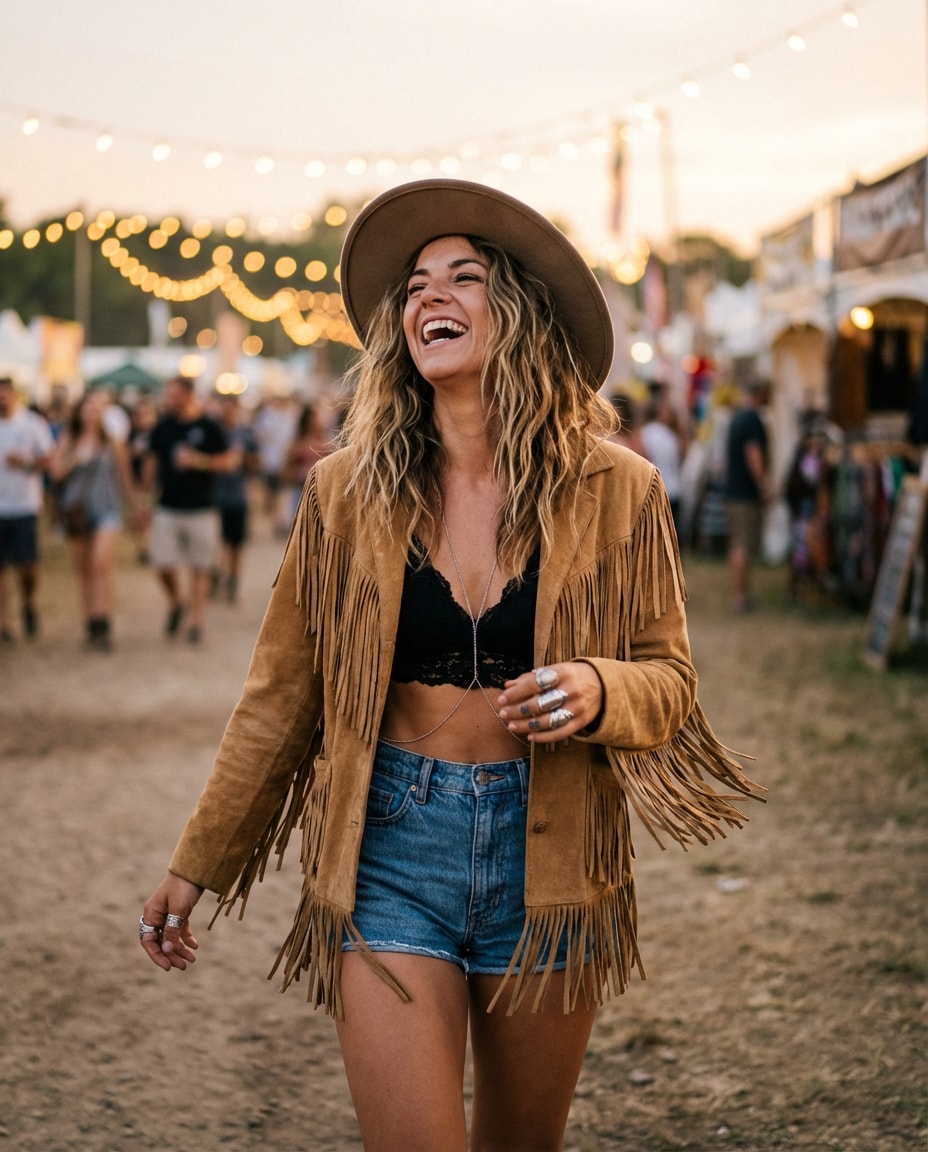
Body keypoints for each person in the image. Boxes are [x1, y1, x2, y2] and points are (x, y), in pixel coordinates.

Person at [140, 180, 761, 1152]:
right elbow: (279, 697)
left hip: (550, 856)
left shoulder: (619, 488)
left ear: (514, 308)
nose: (433, 295)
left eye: (463, 276)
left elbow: (670, 681)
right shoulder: (343, 492)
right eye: (416, 284)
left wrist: (600, 688)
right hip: (391, 846)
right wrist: (197, 863)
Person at [142, 375, 229, 644]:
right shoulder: (163, 426)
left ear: (188, 395)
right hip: (168, 506)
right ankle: (177, 601)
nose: (169, 399)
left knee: (200, 566)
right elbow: (151, 460)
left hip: (201, 507)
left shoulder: (209, 426)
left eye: (173, 394)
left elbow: (227, 461)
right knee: (162, 564)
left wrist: (198, 461)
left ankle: (196, 620)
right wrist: (144, 497)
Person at [48, 391, 138, 650]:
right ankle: (91, 622)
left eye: (98, 409)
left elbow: (124, 475)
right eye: (88, 408)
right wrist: (77, 458)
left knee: (101, 565)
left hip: (107, 508)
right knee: (84, 569)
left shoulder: (113, 441)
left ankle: (103, 622)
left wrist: (135, 508)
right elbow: (55, 473)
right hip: (76, 510)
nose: (92, 413)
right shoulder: (70, 438)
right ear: (80, 411)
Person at [0, 376, 53, 642]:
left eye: (5, 393)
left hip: (25, 505)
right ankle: (4, 621)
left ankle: (29, 603)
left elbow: (49, 460)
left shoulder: (32, 424)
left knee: (27, 566)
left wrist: (27, 462)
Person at [723, 376, 770, 611]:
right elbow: (754, 453)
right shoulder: (752, 419)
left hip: (732, 490)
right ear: (761, 393)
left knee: (737, 544)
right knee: (743, 544)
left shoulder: (737, 418)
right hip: (745, 492)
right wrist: (763, 485)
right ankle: (740, 597)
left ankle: (740, 593)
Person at [210, 393, 259, 604]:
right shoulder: (213, 432)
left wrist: (243, 458)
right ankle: (217, 573)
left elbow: (257, 463)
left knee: (236, 543)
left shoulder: (246, 434)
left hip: (238, 496)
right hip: (215, 495)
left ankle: (233, 579)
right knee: (217, 541)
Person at [640, 390, 685, 543]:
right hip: (673, 488)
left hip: (655, 488)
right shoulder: (672, 435)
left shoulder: (645, 433)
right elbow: (680, 457)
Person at [282, 400, 331, 521]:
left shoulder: (326, 441)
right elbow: (287, 469)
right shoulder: (297, 444)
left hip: (322, 490)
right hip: (301, 489)